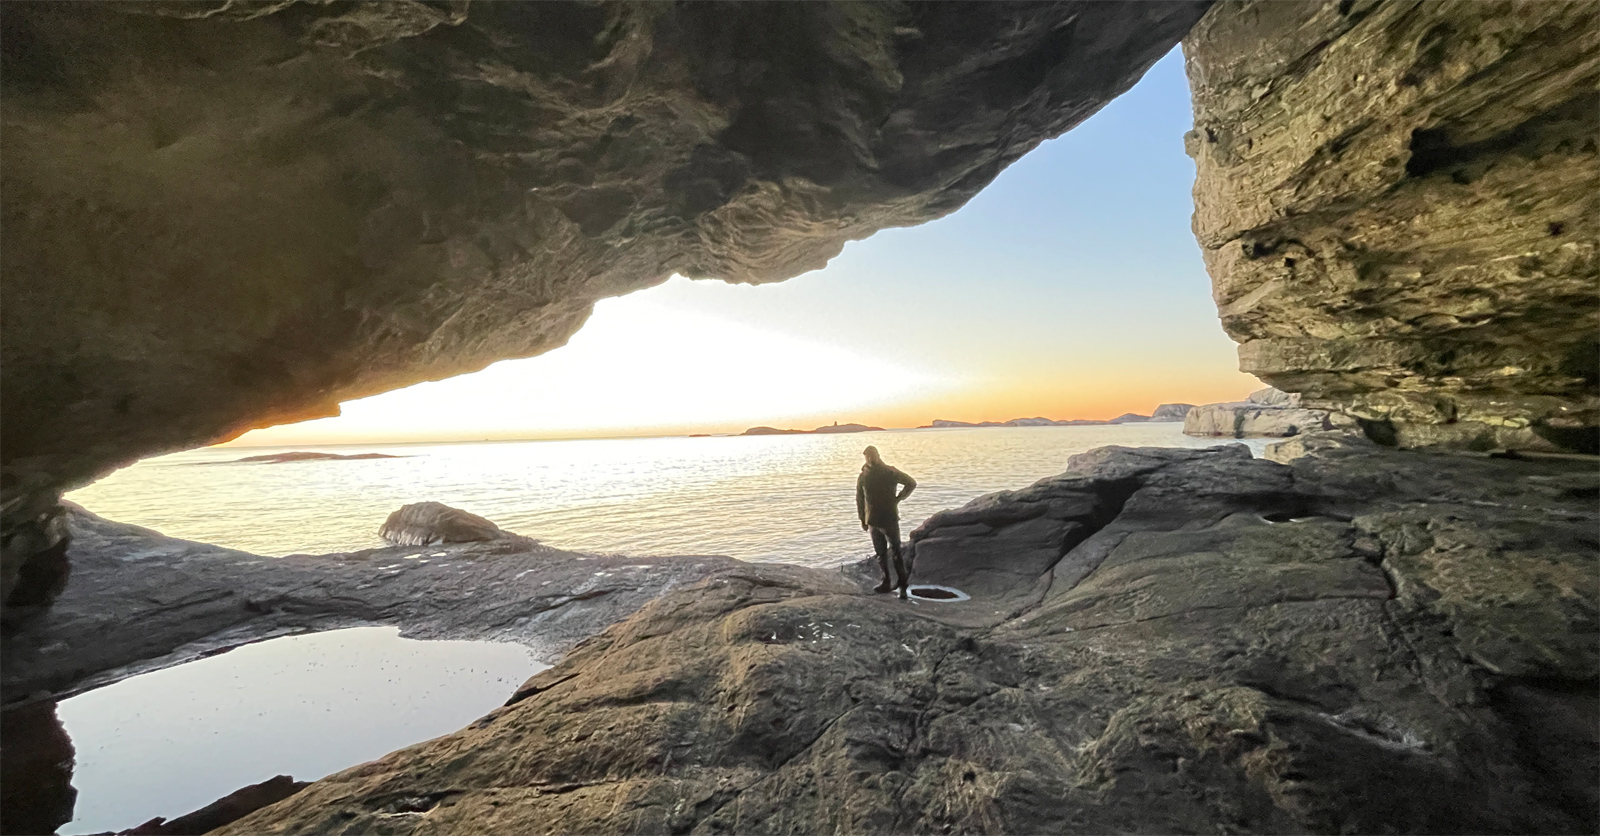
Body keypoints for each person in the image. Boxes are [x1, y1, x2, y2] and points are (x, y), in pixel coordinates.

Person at [856, 446, 916, 598]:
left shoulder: (890, 472)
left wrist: (898, 498)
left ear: (878, 455)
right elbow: (860, 499)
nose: (870, 459)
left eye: (873, 455)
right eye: (867, 456)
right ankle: (886, 581)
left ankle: (903, 585)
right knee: (880, 554)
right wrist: (862, 518)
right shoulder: (863, 475)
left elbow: (911, 483)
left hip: (889, 519)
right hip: (872, 520)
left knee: (896, 552)